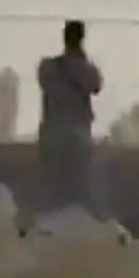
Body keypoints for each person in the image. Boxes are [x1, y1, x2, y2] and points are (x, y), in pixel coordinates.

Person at [37, 20, 102, 212]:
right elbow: (95, 85)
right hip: (76, 136)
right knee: (78, 186)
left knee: (52, 187)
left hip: (53, 135)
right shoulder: (84, 68)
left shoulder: (49, 67)